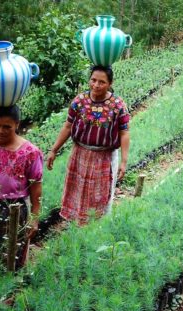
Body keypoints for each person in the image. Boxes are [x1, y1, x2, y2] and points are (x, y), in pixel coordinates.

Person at [47, 65, 130, 225]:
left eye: (102, 82)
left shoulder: (118, 105)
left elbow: (124, 133)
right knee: (77, 192)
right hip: (80, 155)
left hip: (104, 157)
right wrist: (54, 150)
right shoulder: (79, 101)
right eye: (93, 80)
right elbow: (68, 126)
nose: (96, 85)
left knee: (99, 196)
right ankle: (78, 227)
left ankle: (96, 229)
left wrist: (124, 161)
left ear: (110, 83)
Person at [0, 105, 43, 267]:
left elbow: (36, 188)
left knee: (11, 256)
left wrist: (34, 218)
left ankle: (10, 287)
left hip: (13, 209)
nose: (0, 131)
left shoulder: (30, 152)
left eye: (6, 127)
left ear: (17, 124)